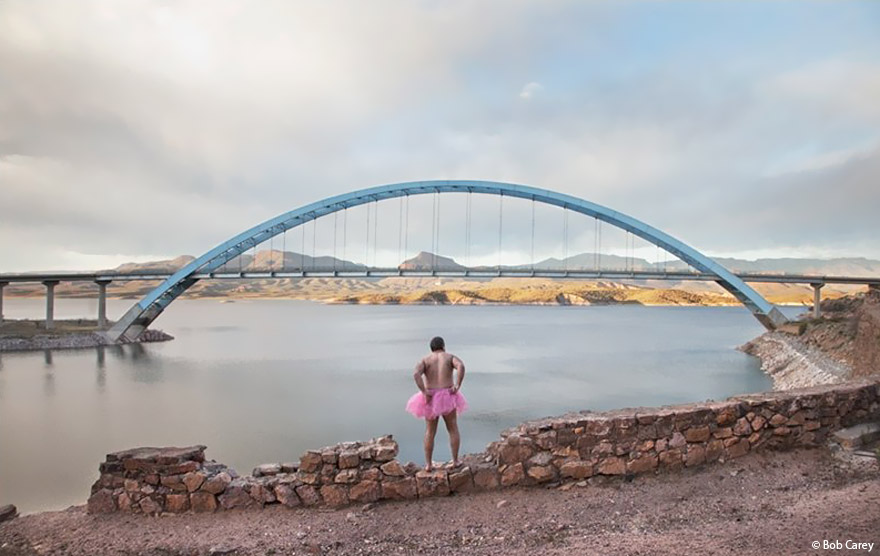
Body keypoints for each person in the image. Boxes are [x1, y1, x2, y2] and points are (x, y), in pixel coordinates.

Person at [405, 336, 467, 471]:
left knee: (430, 431)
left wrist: (424, 391)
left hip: (431, 397)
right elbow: (461, 366)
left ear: (431, 348)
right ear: (443, 346)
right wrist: (458, 385)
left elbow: (416, 374)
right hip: (447, 395)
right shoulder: (449, 357)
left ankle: (428, 464)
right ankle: (455, 461)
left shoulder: (426, 360)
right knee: (452, 428)